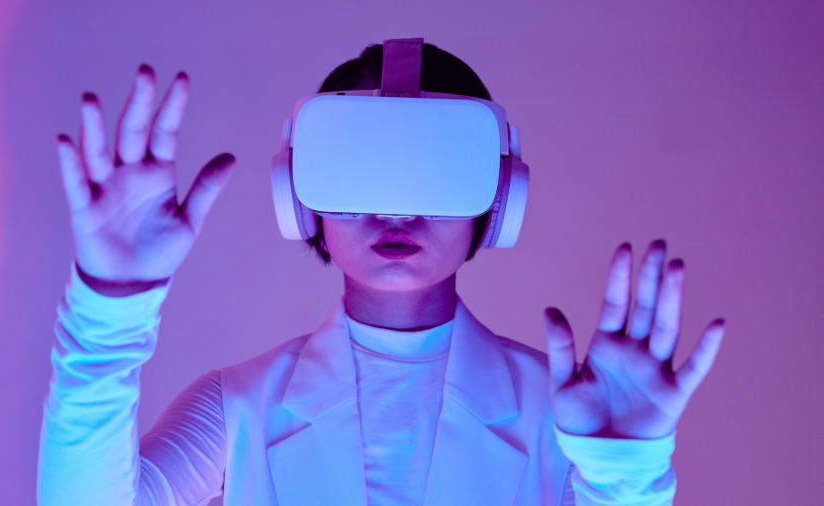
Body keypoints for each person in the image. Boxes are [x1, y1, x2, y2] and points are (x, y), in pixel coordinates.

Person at [37, 42, 725, 506]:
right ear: (301, 194)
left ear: (497, 195)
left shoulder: (572, 419)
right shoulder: (234, 409)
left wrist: (627, 476)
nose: (396, 208)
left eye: (435, 167)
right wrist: (109, 307)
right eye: (360, 163)